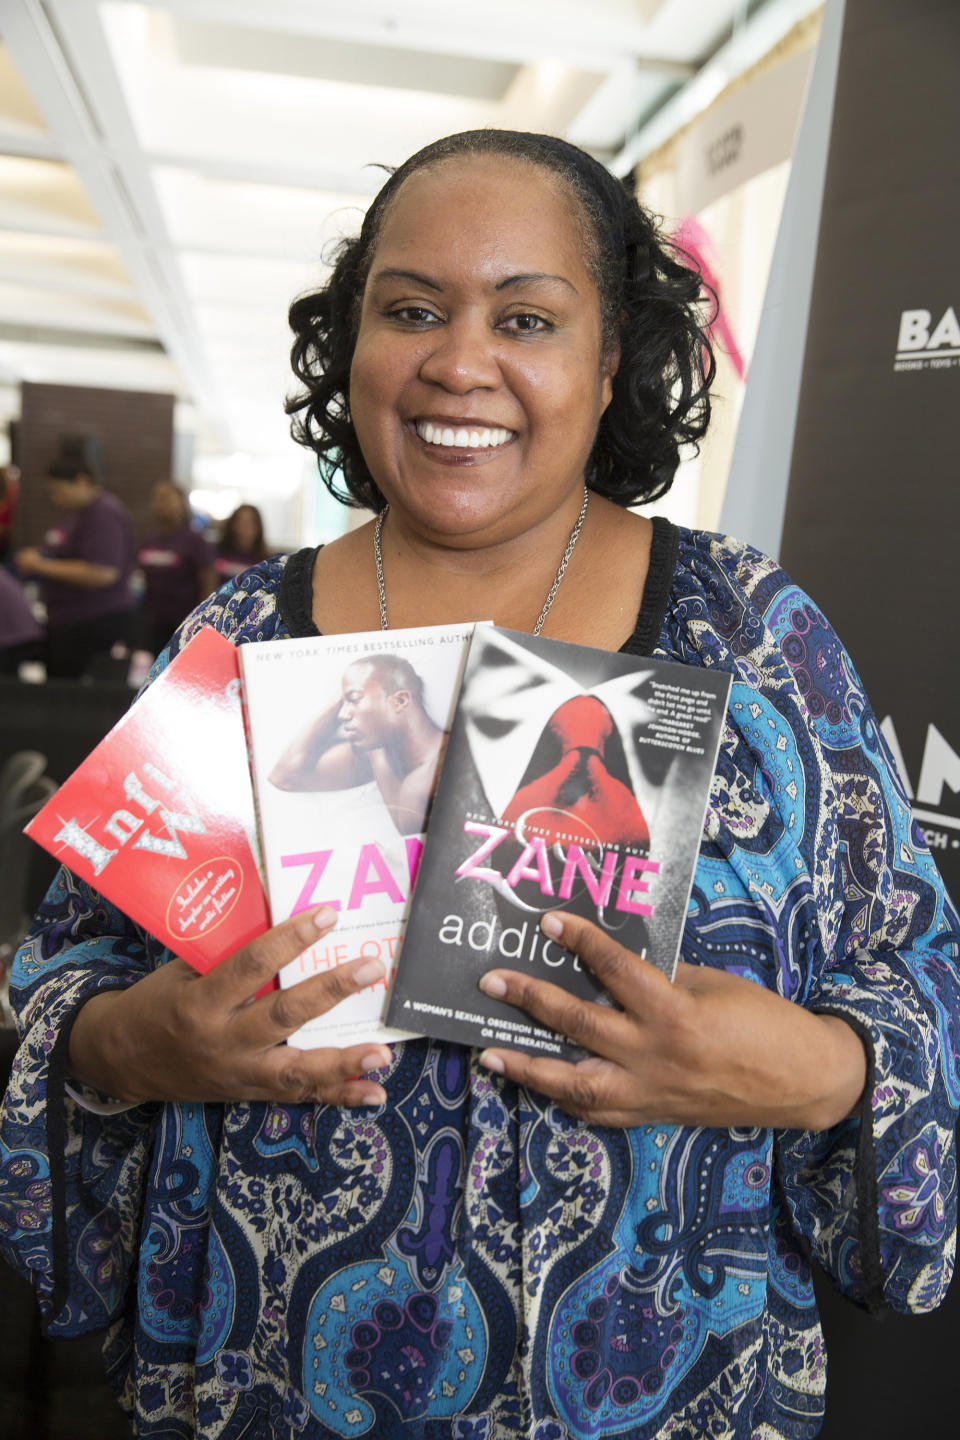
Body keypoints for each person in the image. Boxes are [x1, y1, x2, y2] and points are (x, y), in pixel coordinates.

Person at [1, 129, 958, 1440]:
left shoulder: (752, 633)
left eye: (526, 315)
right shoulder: (240, 640)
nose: (461, 361)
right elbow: (68, 976)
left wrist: (815, 1072)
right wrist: (138, 1043)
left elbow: (915, 971)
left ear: (612, 357)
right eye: (411, 309)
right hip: (268, 1384)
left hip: (669, 1390)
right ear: (353, 344)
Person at [269, 654, 448, 835]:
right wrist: (341, 697)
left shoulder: (451, 760)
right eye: (343, 703)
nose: (342, 715)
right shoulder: (376, 753)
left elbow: (413, 832)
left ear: (400, 701)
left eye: (354, 699)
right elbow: (283, 777)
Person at [14, 441, 136, 679]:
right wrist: (39, 557)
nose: (56, 498)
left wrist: (39, 565)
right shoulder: (71, 514)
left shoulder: (104, 514)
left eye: (60, 491)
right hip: (66, 622)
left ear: (82, 481)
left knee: (79, 701)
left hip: (94, 623)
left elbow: (102, 572)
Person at [136, 479, 216, 655]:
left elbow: (207, 583)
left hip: (183, 623)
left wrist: (201, 622)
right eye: (157, 499)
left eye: (166, 498)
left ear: (181, 504)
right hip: (153, 622)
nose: (161, 504)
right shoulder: (150, 540)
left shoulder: (195, 541)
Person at [215, 501, 270, 580]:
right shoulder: (217, 552)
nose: (245, 526)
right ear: (232, 525)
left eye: (250, 521)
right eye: (241, 521)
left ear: (258, 527)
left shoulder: (267, 562)